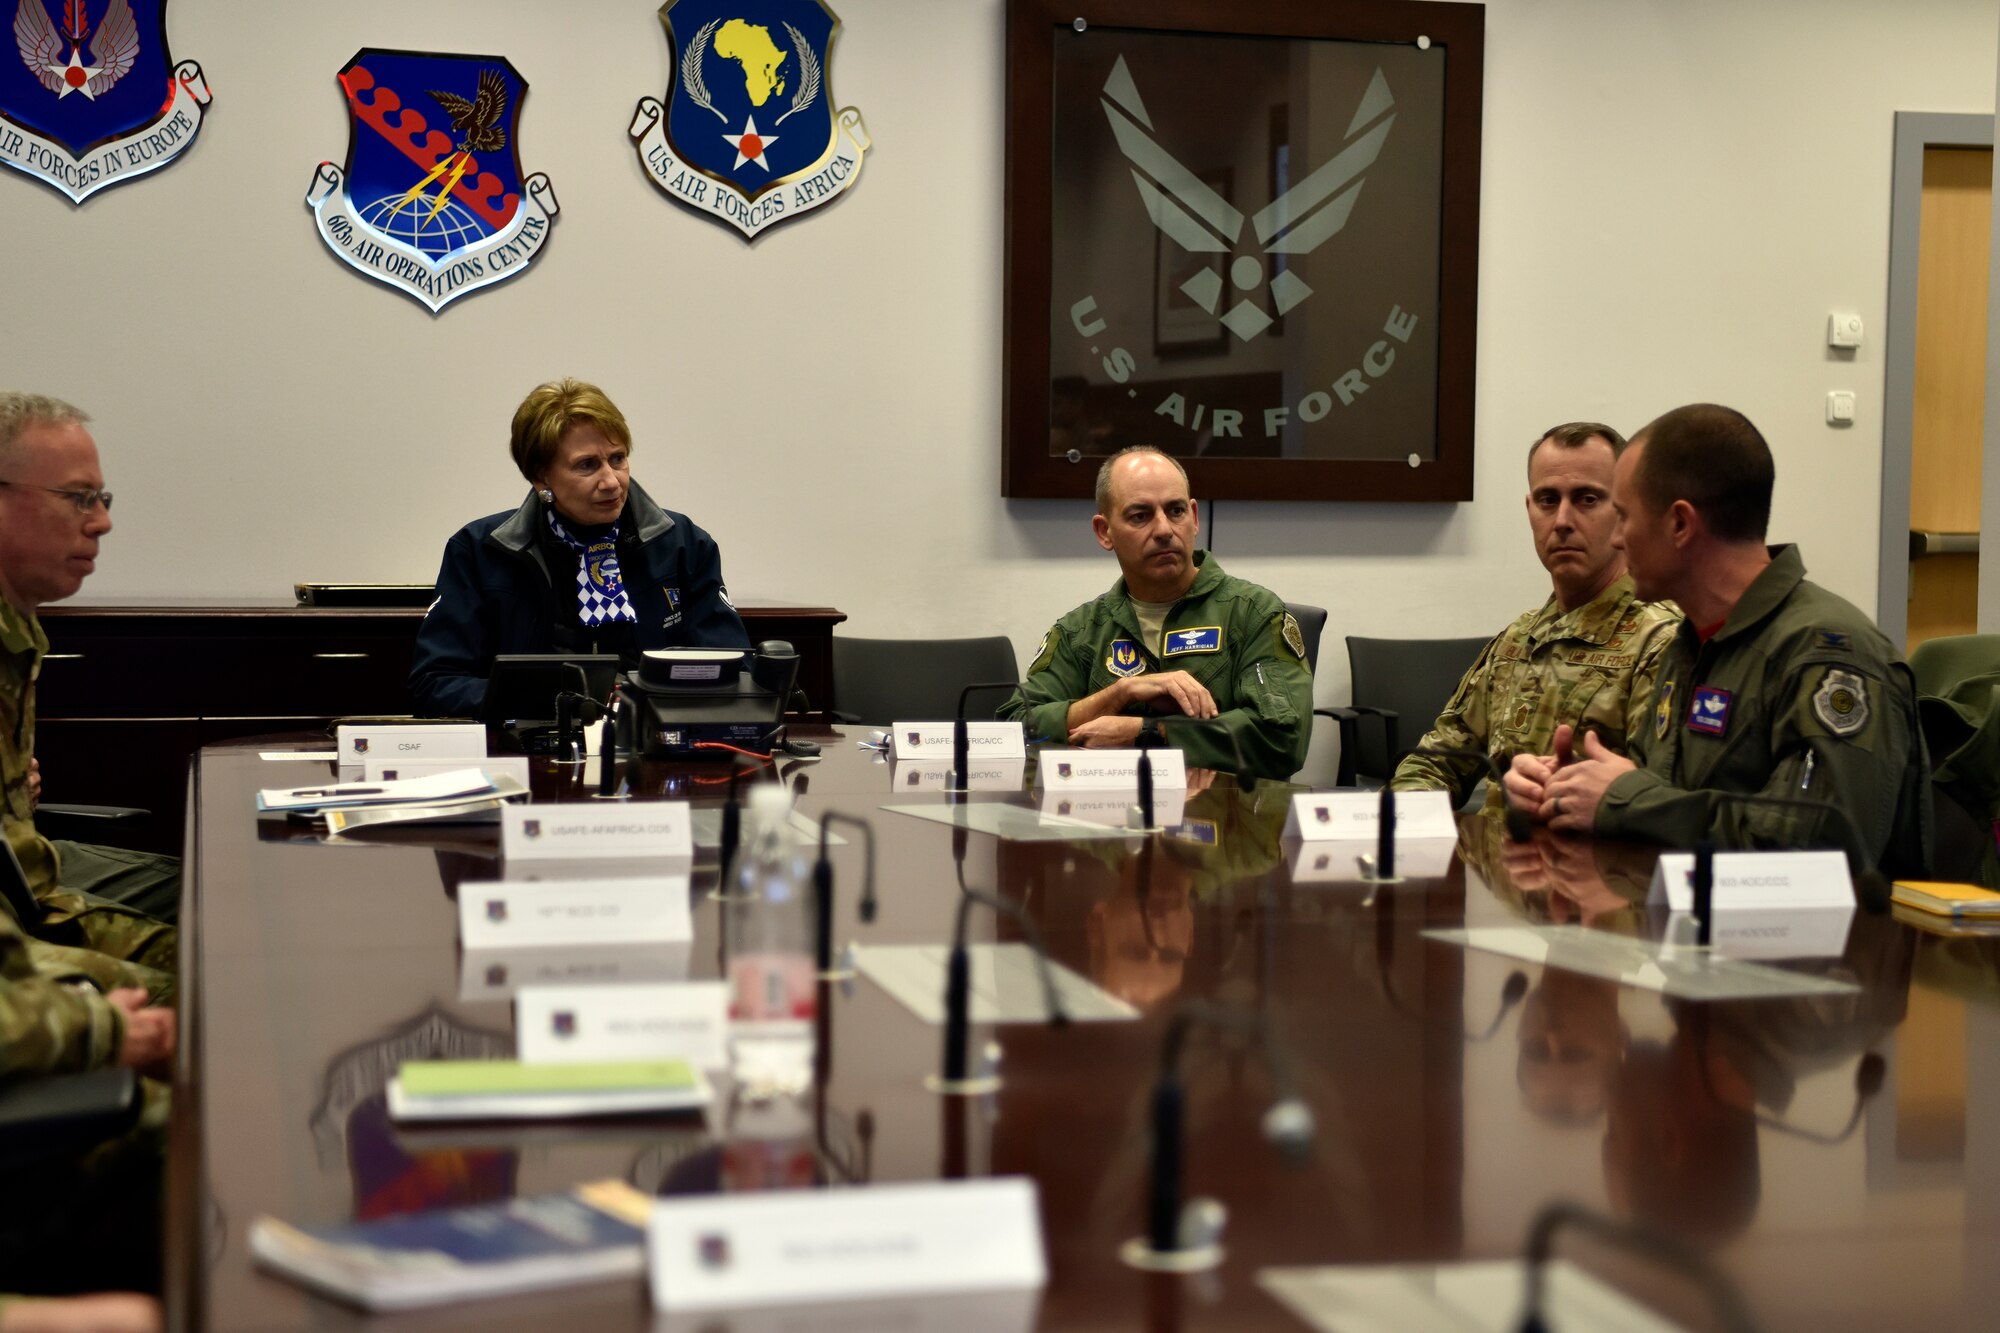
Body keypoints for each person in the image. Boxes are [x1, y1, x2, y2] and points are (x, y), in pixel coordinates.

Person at [1503, 403, 1930, 871]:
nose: (1618, 539)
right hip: (1683, 925)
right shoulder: (1692, 645)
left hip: (1814, 941)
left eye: (1623, 516)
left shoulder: (1828, 655)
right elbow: (1655, 795)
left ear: (1680, 525)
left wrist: (1625, 801)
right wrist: (1566, 790)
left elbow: (1821, 848)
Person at [409, 379, 749, 717]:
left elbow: (737, 672)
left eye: (617, 459)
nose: (611, 481)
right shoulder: (479, 551)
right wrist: (555, 702)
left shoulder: (683, 544)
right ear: (541, 477)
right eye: (587, 465)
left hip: (649, 744)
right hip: (529, 747)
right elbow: (435, 685)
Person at [1391, 422, 1680, 807]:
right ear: (1530, 510)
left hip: (1593, 861)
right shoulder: (1519, 638)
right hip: (1497, 860)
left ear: (1624, 511)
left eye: (1587, 499)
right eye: (1547, 500)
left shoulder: (1661, 640)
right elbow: (1439, 761)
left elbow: (1666, 800)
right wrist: (1398, 818)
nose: (1562, 521)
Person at [998, 446, 1312, 780]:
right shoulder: (1082, 631)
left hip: (1223, 819)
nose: (1163, 529)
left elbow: (1283, 740)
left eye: (1175, 510)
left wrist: (1148, 732)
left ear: (1193, 518)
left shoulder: (1253, 613)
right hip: (1108, 822)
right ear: (1105, 532)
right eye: (1140, 515)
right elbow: (1013, 727)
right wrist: (1120, 693)